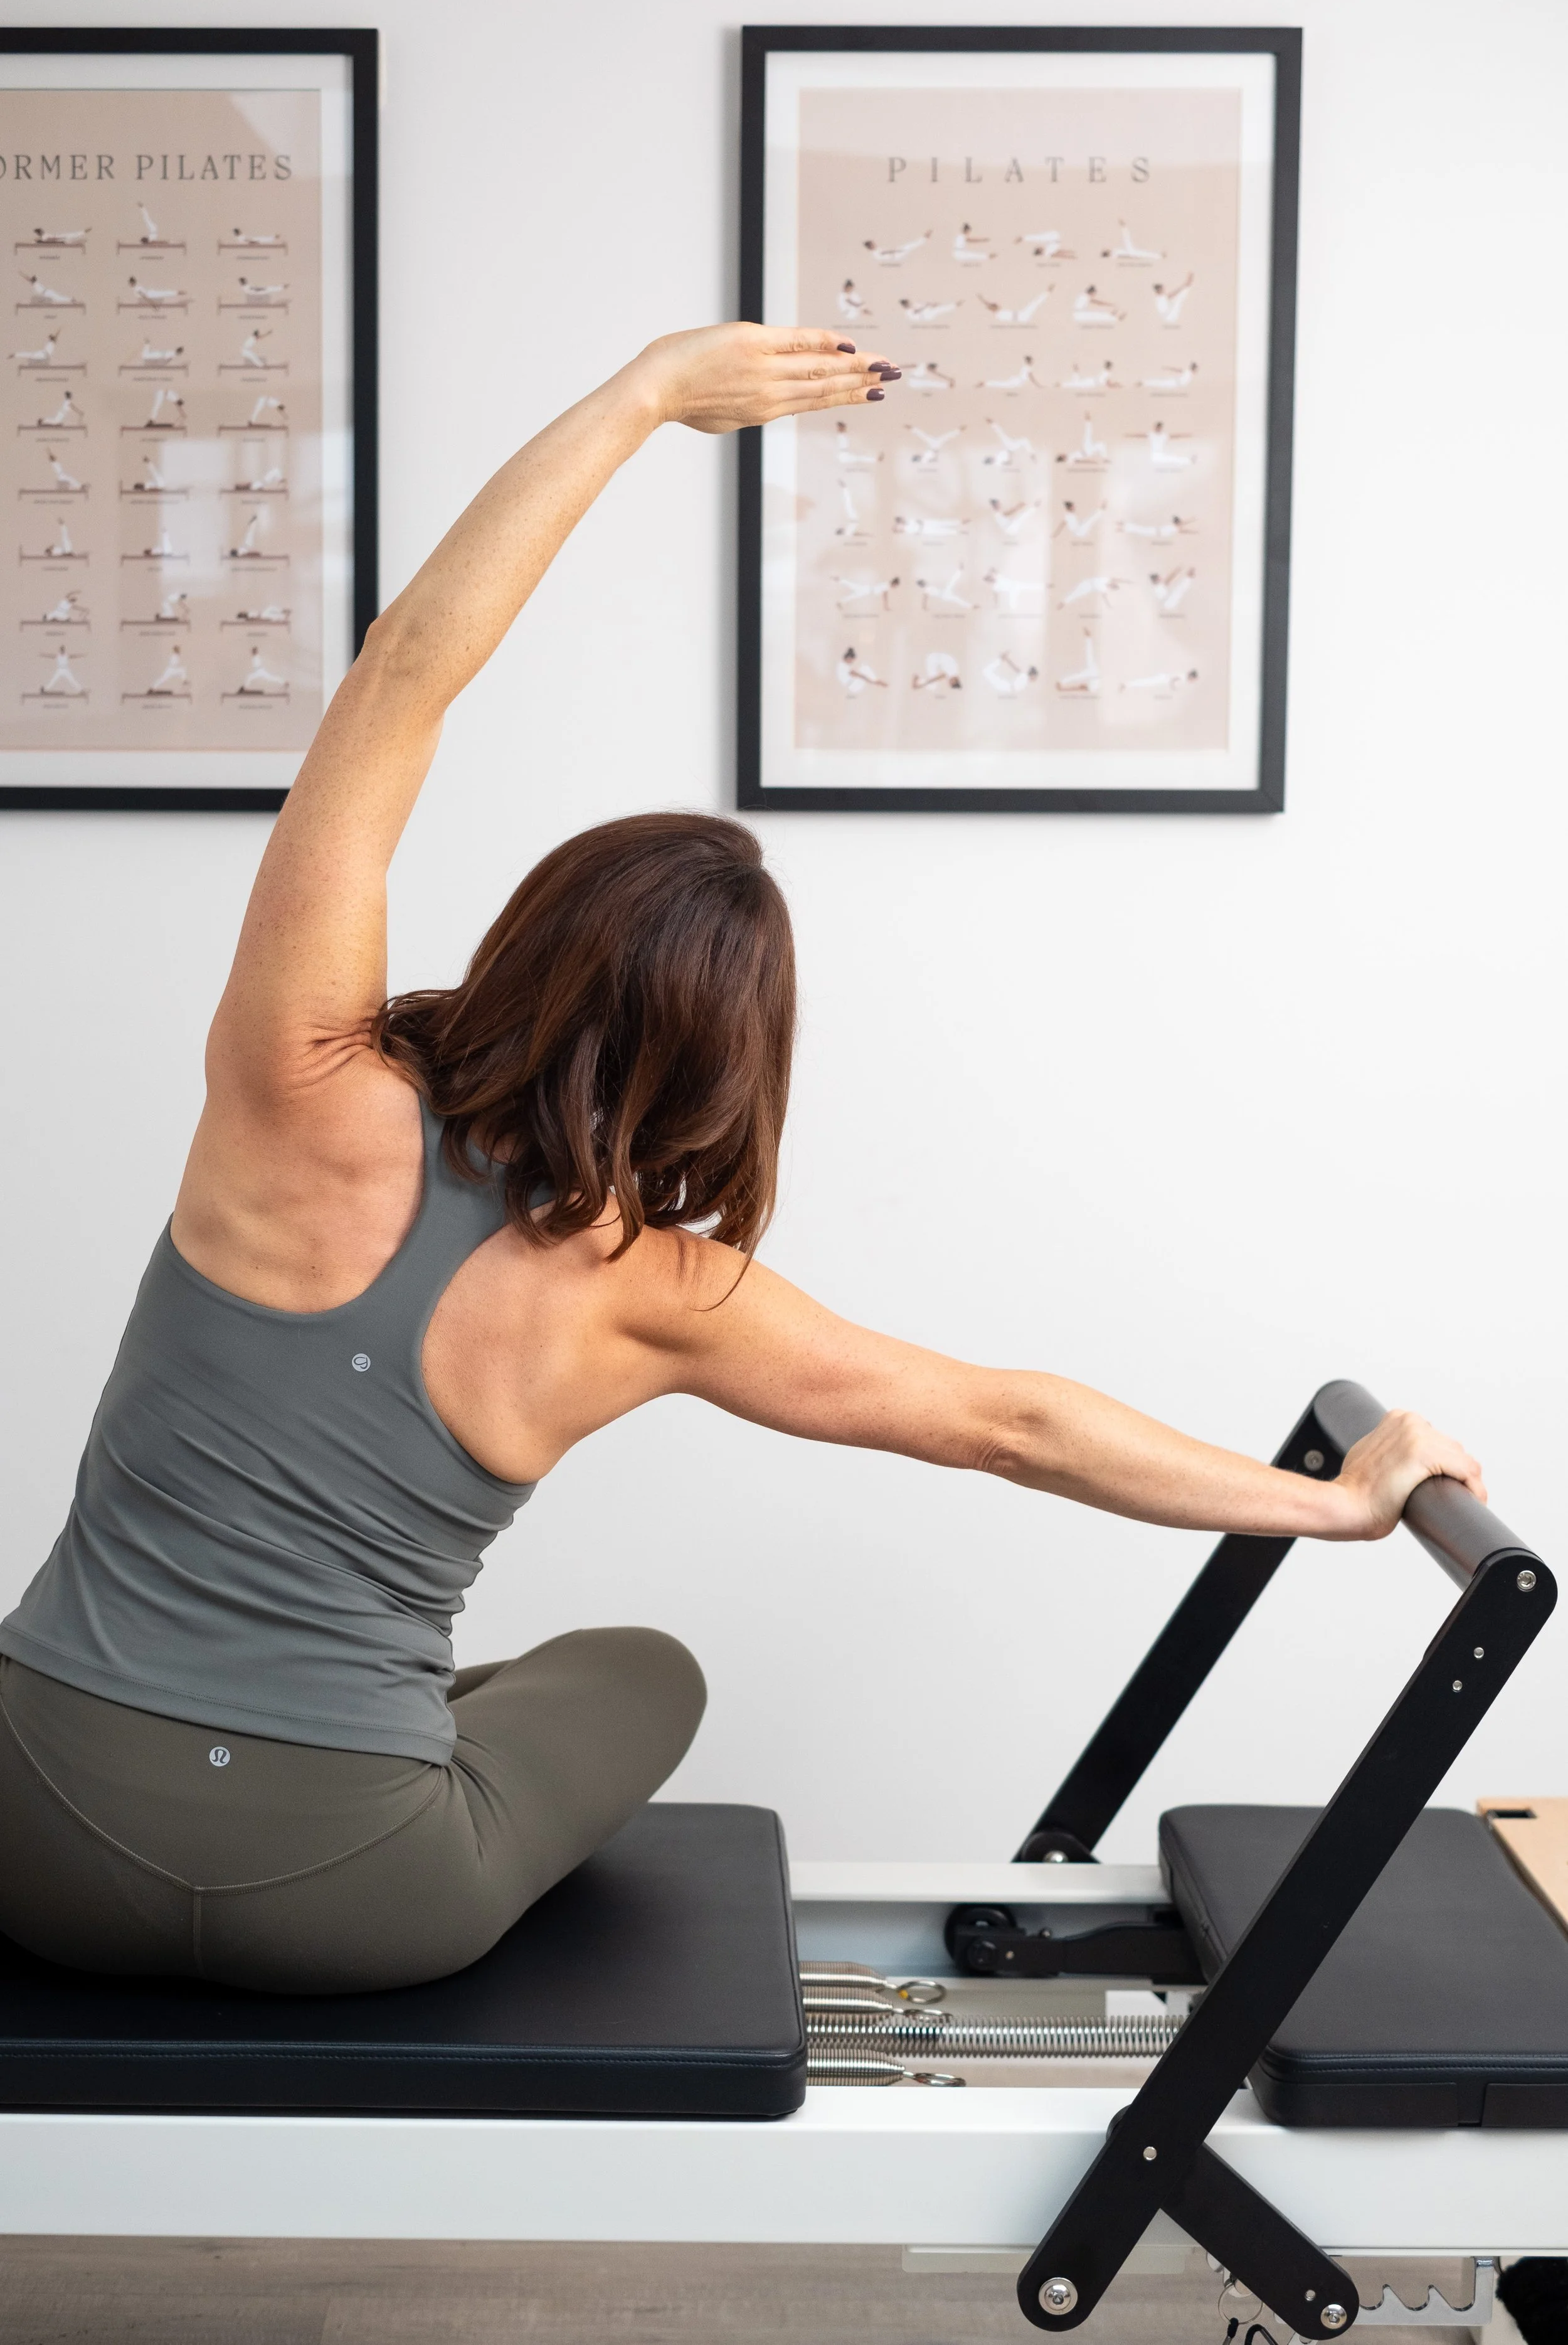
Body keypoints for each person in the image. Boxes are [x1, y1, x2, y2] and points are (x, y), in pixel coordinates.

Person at [0, 322, 1482, 2003]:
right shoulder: (658, 1292)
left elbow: (406, 667)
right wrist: (1334, 1504)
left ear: (526, 939)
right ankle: (352, 1734)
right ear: (732, 1066)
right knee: (640, 1668)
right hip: (359, 1896)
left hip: (36, 1836)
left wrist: (640, 394)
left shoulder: (296, 1083)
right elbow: (1005, 1422)